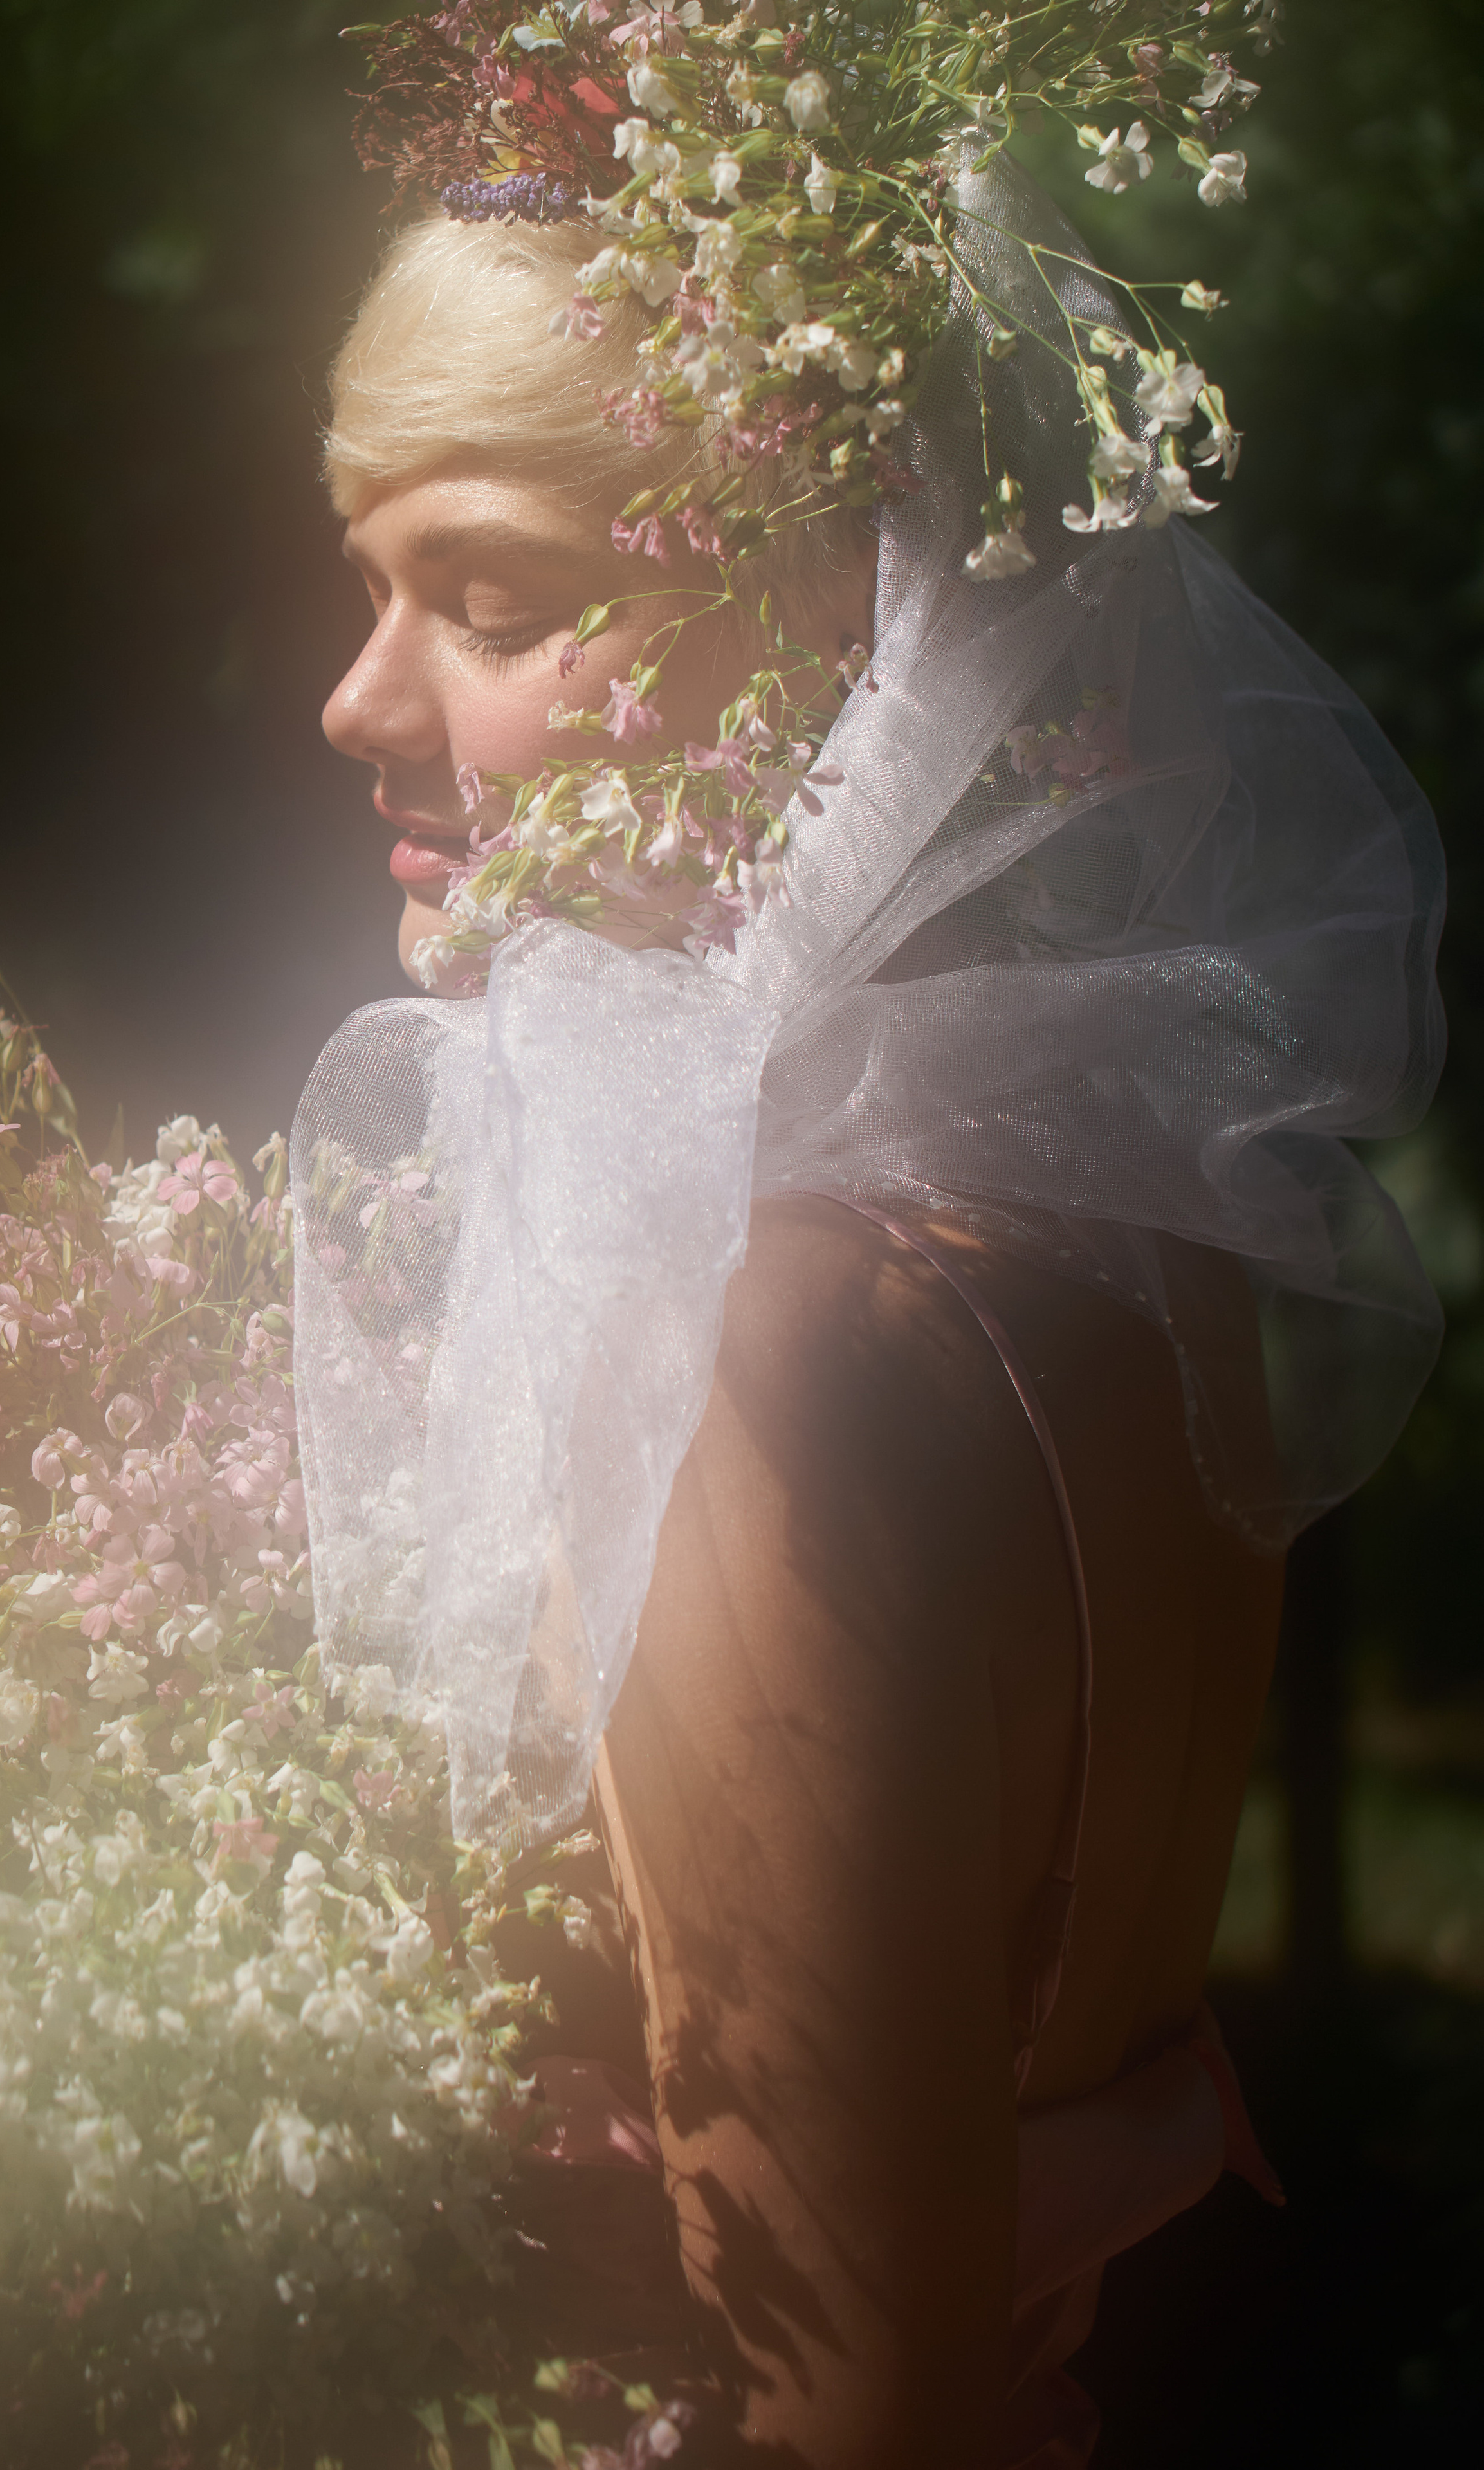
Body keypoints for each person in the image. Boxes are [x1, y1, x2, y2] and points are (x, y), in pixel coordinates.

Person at [293, 139, 1443, 2470]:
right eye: (373, 592)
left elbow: (849, 2403)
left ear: (859, 647)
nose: (353, 697)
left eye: (492, 602)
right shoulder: (1089, 1250)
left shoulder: (769, 1368)